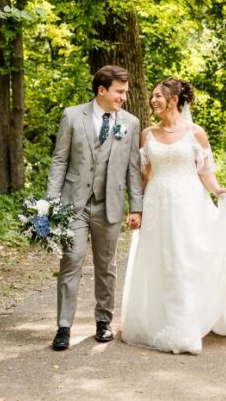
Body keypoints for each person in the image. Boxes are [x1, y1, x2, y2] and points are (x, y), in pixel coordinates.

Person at [120, 78, 226, 354]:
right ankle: (161, 320)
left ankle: (186, 326)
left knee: (186, 259)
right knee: (159, 260)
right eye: (152, 96)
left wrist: (218, 190)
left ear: (173, 99)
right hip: (157, 204)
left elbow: (204, 171)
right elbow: (145, 174)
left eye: (157, 96)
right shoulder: (147, 135)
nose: (153, 101)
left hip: (188, 204)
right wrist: (135, 208)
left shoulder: (195, 133)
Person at [47, 65, 143, 351]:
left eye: (125, 92)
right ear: (102, 90)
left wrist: (135, 207)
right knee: (71, 260)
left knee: (107, 266)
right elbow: (59, 160)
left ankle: (104, 321)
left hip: (110, 204)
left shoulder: (131, 122)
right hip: (73, 204)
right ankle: (64, 327)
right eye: (119, 91)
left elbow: (133, 168)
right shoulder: (72, 116)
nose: (124, 97)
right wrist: (51, 203)